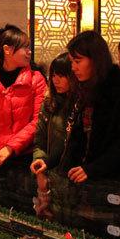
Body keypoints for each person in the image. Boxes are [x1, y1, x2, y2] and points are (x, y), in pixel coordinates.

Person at [0, 24, 46, 209]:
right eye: (25, 47)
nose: (29, 52)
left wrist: (11, 147)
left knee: (25, 208)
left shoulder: (36, 79)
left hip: (24, 156)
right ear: (7, 50)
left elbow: (38, 121)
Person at [61, 31, 120, 183]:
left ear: (95, 60)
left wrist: (94, 168)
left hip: (114, 178)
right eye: (72, 61)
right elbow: (77, 137)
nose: (73, 67)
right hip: (84, 173)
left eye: (77, 61)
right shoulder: (83, 88)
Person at [31, 53, 73, 219]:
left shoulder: (81, 106)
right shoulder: (49, 102)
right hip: (48, 174)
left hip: (71, 178)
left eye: (61, 76)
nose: (56, 80)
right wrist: (40, 171)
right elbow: (39, 140)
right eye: (53, 75)